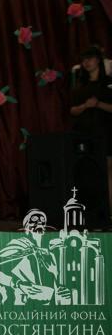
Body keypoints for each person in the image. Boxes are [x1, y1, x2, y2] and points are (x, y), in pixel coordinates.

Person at [0, 209, 70, 305]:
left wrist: (61, 291)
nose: (39, 222)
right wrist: (18, 283)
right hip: (22, 304)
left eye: (42, 221)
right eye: (34, 220)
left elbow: (54, 282)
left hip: (45, 306)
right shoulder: (19, 246)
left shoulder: (50, 255)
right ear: (27, 228)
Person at [69, 45, 112, 226]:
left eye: (90, 58)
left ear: (98, 61)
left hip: (105, 132)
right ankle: (89, 214)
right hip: (84, 134)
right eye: (84, 59)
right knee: (86, 172)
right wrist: (85, 106)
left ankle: (109, 213)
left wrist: (98, 104)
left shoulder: (108, 84)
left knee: (107, 171)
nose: (87, 62)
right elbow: (72, 110)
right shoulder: (80, 86)